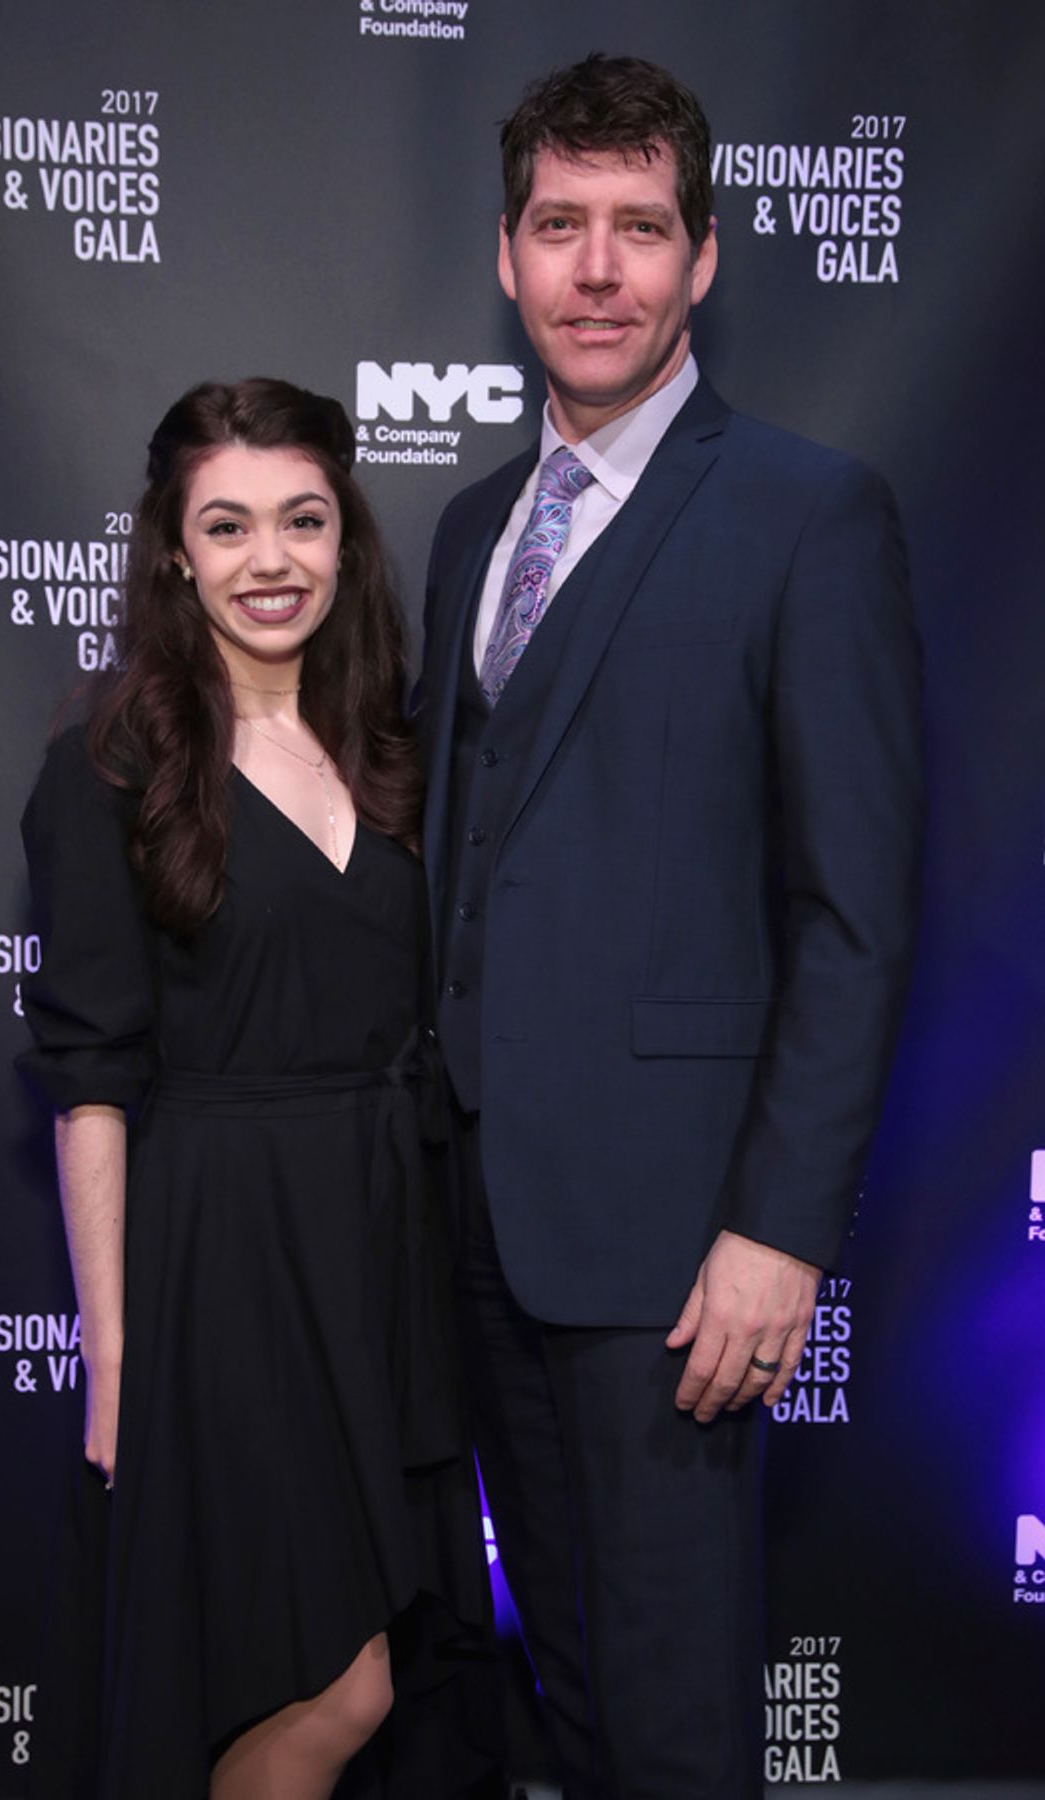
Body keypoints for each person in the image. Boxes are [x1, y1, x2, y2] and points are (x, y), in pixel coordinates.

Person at [416, 54, 922, 1800]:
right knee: (557, 1693)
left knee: (678, 1715)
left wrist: (777, 1233)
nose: (599, 270)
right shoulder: (475, 528)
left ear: (705, 257)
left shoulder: (806, 514)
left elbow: (855, 912)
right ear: (508, 255)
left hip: (677, 1253)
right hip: (474, 1226)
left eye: (641, 229)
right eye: (563, 227)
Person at [18, 378, 497, 1800]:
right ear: (171, 548)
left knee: (393, 1663)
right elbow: (90, 1079)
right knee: (320, 1675)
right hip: (225, 1260)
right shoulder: (110, 769)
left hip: (387, 1244)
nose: (269, 559)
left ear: (346, 534)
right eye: (225, 527)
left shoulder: (399, 753)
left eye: (302, 519)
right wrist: (115, 1361)